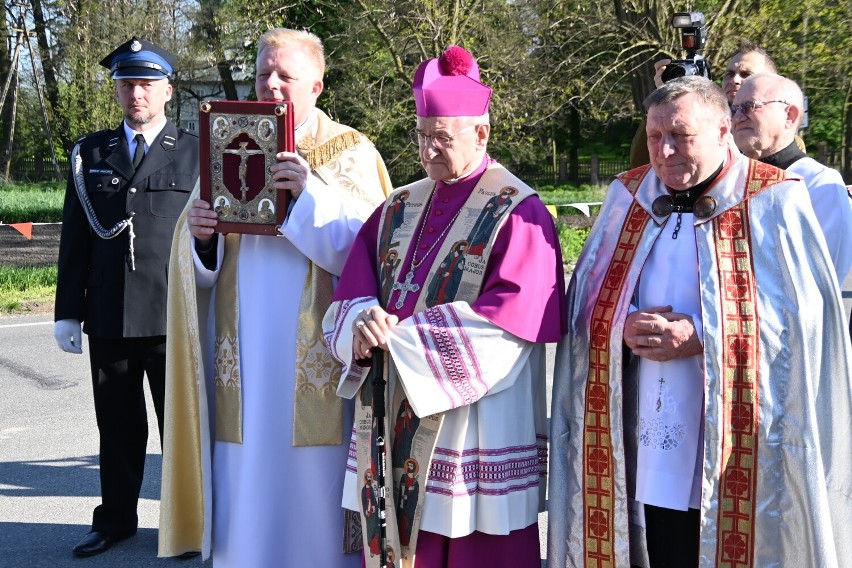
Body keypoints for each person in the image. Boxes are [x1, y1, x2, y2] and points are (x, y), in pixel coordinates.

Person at [548, 76, 852, 568]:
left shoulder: (774, 198)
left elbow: (806, 320)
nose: (664, 151)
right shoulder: (630, 195)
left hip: (741, 429)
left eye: (682, 136)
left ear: (722, 129)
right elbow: (586, 298)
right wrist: (621, 324)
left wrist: (703, 336)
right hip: (650, 417)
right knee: (663, 537)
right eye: (654, 136)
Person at [322, 45, 566, 568]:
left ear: (481, 133)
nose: (429, 149)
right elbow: (353, 290)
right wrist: (363, 323)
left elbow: (513, 318)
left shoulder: (518, 212)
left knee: (477, 544)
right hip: (392, 406)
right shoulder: (398, 206)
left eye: (442, 137)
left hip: (474, 416)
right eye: (421, 135)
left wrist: (401, 339)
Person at [158, 28, 392, 566]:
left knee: (314, 492)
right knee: (247, 482)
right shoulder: (229, 140)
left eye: (285, 74)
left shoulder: (351, 151)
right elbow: (193, 263)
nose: (271, 84)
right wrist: (201, 238)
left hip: (317, 361)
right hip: (242, 355)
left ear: (317, 83)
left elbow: (374, 251)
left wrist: (308, 194)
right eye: (264, 72)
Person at [52, 37, 199, 557]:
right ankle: (114, 520)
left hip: (173, 313)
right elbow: (76, 237)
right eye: (126, 83)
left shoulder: (195, 149)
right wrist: (68, 310)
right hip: (110, 314)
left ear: (167, 89)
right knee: (115, 427)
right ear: (116, 89)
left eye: (146, 83)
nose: (136, 93)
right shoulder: (90, 153)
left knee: (179, 429)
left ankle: (188, 525)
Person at [731, 73, 852, 283]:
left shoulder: (819, 184)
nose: (738, 118)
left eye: (749, 106)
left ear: (790, 115)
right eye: (734, 109)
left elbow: (822, 282)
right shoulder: (730, 179)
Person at [630, 39, 780, 168]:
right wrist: (663, 103)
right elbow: (640, 165)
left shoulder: (782, 139)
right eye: (729, 74)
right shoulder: (703, 124)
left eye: (746, 74)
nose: (734, 80)